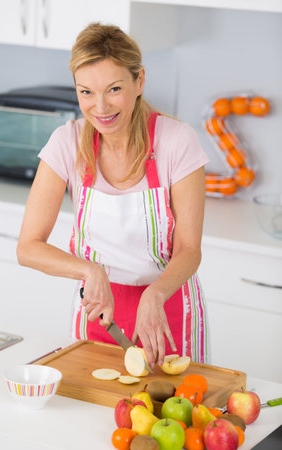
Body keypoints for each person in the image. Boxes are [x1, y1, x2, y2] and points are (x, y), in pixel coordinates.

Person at [17, 22, 210, 370]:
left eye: (114, 89)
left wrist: (155, 295)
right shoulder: (67, 143)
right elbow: (28, 246)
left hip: (168, 311)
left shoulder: (177, 142)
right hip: (99, 315)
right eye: (86, 92)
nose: (100, 107)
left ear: (139, 82)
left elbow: (189, 249)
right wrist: (89, 271)